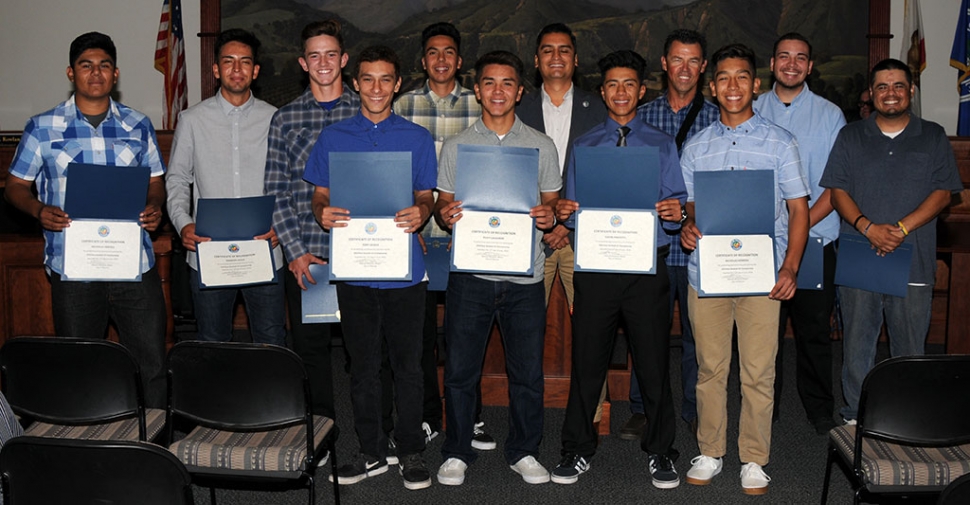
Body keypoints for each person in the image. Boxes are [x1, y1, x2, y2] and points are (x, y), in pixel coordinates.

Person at [5, 31, 167, 408]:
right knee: (81, 365)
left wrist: (155, 205)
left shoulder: (137, 125)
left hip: (133, 265)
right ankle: (88, 448)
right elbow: (14, 186)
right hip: (74, 267)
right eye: (86, 65)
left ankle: (156, 445)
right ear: (70, 73)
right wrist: (38, 210)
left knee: (151, 363)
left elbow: (155, 182)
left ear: (116, 74)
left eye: (104, 66)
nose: (96, 73)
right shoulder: (42, 127)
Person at [679, 43, 809, 495]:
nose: (732, 86)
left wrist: (790, 267)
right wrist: (688, 228)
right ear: (712, 88)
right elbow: (691, 208)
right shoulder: (696, 147)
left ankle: (754, 458)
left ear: (755, 84)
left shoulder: (780, 142)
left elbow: (798, 209)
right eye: (723, 78)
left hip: (762, 276)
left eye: (741, 77)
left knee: (758, 370)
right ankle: (710, 451)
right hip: (708, 276)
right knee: (710, 369)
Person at [551, 49, 685, 489]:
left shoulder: (662, 145)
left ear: (641, 89)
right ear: (602, 91)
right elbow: (571, 215)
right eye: (612, 84)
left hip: (648, 269)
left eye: (629, 84)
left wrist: (674, 212)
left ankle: (662, 451)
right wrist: (566, 211)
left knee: (652, 363)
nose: (621, 92)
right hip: (597, 269)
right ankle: (576, 448)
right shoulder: (585, 145)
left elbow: (677, 209)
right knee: (588, 362)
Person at [305, 45, 436, 490]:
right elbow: (319, 194)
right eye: (367, 79)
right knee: (361, 367)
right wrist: (321, 210)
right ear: (355, 82)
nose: (376, 87)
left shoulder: (418, 138)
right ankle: (370, 452)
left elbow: (426, 195)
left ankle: (411, 452)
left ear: (397, 84)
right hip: (355, 267)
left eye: (385, 79)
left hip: (404, 267)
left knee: (409, 366)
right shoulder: (334, 137)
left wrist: (423, 210)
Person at [434, 50, 559, 486]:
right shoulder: (457, 147)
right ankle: (456, 450)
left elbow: (552, 205)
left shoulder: (542, 146)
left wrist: (549, 217)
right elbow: (442, 202)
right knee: (461, 371)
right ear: (478, 89)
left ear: (520, 91)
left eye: (507, 83)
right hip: (470, 277)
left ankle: (525, 450)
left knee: (527, 373)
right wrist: (445, 214)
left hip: (525, 278)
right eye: (489, 82)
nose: (498, 91)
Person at [819, 58, 962, 425]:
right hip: (860, 255)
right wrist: (869, 228)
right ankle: (855, 417)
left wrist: (898, 229)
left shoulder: (932, 135)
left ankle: (908, 417)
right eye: (882, 86)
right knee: (857, 346)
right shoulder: (851, 135)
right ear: (871, 93)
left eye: (898, 85)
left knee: (910, 347)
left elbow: (943, 193)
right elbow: (837, 191)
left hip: (912, 258)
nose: (891, 93)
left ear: (911, 91)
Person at [263, 19, 360, 439]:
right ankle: (324, 433)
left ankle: (372, 433)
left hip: (363, 254)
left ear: (344, 59)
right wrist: (295, 252)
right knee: (313, 351)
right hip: (310, 254)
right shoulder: (285, 119)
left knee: (365, 349)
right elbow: (276, 191)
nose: (324, 63)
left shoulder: (365, 111)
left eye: (331, 54)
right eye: (315, 55)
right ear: (304, 63)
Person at [753, 32, 846, 434]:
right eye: (784, 57)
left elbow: (837, 183)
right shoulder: (750, 108)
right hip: (758, 240)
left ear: (810, 66)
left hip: (814, 238)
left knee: (812, 331)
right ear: (772, 64)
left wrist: (800, 224)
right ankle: (763, 410)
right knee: (761, 333)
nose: (792, 64)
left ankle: (819, 410)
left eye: (801, 58)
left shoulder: (830, 115)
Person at [166, 29, 283, 346]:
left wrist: (281, 226)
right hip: (208, 250)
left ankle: (270, 398)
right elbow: (177, 178)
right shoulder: (192, 120)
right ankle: (215, 398)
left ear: (255, 71)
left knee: (271, 340)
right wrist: (183, 223)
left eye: (245, 62)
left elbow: (288, 183)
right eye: (228, 62)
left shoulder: (276, 119)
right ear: (216, 69)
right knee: (213, 341)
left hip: (264, 248)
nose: (237, 69)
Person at [394, 21, 480, 445]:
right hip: (419, 236)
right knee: (421, 334)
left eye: (449, 52)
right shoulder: (403, 105)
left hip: (474, 237)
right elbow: (396, 172)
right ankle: (429, 414)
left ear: (459, 60)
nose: (441, 59)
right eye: (433, 52)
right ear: (423, 59)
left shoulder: (481, 102)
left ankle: (471, 414)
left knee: (468, 332)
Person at [633, 28, 719, 441]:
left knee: (696, 337)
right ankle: (640, 407)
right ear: (664, 64)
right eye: (677, 60)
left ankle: (692, 407)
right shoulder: (642, 116)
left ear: (703, 68)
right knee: (644, 331)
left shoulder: (718, 118)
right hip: (651, 247)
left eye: (693, 61)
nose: (684, 69)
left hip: (699, 248)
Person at [518, 23, 606, 314]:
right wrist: (548, 225)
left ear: (575, 59)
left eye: (564, 50)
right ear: (536, 59)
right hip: (530, 237)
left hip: (582, 238)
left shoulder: (599, 110)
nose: (556, 56)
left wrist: (567, 227)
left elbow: (604, 180)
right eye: (547, 50)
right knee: (525, 330)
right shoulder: (516, 110)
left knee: (590, 328)